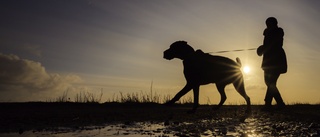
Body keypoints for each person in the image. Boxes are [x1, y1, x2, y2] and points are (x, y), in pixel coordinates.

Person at [257, 17, 287, 111]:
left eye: (270, 23)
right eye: (267, 23)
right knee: (269, 82)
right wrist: (262, 49)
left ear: (274, 23)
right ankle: (277, 104)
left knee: (271, 83)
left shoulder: (279, 31)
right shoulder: (266, 33)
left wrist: (263, 48)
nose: (268, 25)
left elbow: (276, 44)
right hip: (268, 61)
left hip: (277, 60)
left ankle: (270, 104)